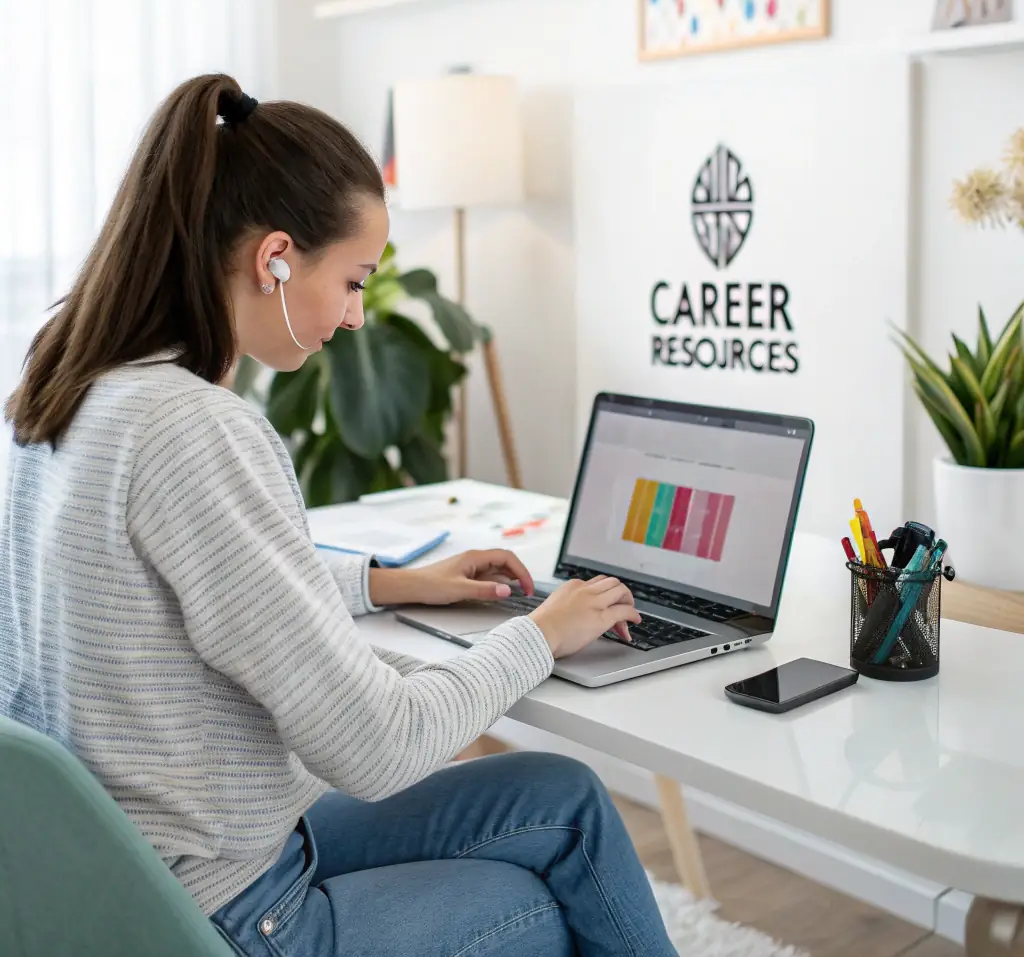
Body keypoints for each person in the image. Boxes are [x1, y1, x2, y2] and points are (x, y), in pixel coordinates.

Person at [1, 74, 678, 957]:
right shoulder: (193, 428)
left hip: (118, 880)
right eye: (353, 280)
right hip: (222, 915)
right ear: (275, 256)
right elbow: (379, 746)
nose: (357, 315)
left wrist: (394, 582)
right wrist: (541, 634)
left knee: (565, 800)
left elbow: (200, 584)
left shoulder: (71, 392)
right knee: (538, 905)